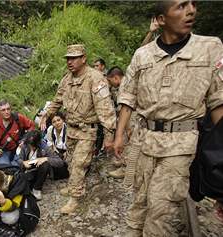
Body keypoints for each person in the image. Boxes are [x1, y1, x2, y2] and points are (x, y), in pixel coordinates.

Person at [113, 1, 223, 236]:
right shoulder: (143, 55)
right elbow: (128, 98)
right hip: (144, 143)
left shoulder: (210, 48)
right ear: (161, 19)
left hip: (181, 145)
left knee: (161, 214)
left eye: (192, 4)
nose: (191, 10)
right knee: (139, 206)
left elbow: (218, 102)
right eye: (181, 6)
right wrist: (119, 135)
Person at [40, 44, 116, 214]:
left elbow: (105, 109)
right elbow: (58, 100)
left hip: (87, 130)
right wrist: (47, 114)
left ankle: (75, 199)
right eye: (68, 58)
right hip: (71, 129)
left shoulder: (96, 78)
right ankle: (73, 185)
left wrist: (110, 135)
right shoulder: (66, 79)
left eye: (74, 58)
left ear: (83, 59)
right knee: (70, 160)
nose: (70, 62)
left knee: (80, 164)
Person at [0, 168, 40, 236]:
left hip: (22, 209)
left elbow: (14, 205)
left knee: (8, 217)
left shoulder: (18, 183)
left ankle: (14, 226)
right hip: (3, 209)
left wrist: (3, 201)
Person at [0, 99, 35, 170]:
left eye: (8, 109)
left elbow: (31, 126)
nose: (7, 112)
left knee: (26, 163)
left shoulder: (18, 118)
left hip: (19, 147)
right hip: (3, 151)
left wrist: (25, 140)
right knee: (3, 165)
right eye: (3, 110)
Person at [18, 130, 65, 200]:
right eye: (29, 145)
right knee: (22, 184)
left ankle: (37, 188)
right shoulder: (25, 146)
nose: (31, 148)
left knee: (45, 164)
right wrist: (23, 162)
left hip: (40, 171)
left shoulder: (44, 147)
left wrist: (45, 158)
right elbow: (18, 159)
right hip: (28, 170)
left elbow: (60, 162)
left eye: (33, 146)